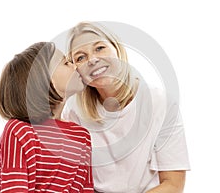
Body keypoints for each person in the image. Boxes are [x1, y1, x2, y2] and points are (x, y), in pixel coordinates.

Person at [62, 22, 190, 193]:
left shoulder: (161, 103)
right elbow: (72, 182)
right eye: (80, 57)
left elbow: (173, 185)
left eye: (99, 48)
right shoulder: (73, 111)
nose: (92, 60)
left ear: (117, 49)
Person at [0, 42, 94, 192]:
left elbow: (85, 189)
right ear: (44, 80)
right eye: (66, 63)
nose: (75, 66)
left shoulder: (82, 136)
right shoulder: (19, 131)